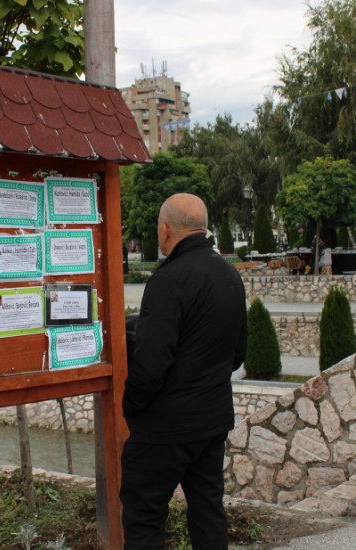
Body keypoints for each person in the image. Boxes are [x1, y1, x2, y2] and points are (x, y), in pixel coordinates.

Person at [120, 193, 247, 550]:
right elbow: (238, 353)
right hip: (212, 421)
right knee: (208, 510)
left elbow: (150, 364)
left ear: (164, 230)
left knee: (144, 516)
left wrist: (132, 405)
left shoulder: (167, 279)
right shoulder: (229, 274)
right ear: (203, 228)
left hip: (164, 428)